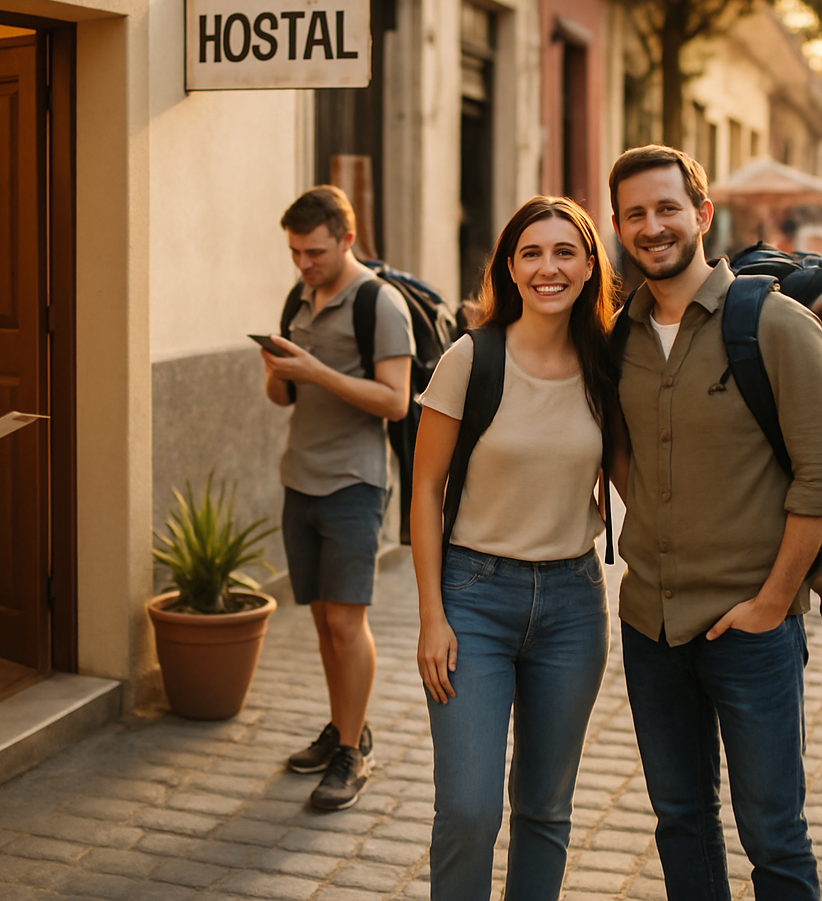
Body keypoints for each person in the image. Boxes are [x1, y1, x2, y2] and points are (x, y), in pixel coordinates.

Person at [609, 144, 822, 900]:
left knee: (774, 834)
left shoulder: (776, 326)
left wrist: (770, 604)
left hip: (752, 632)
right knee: (681, 821)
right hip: (649, 625)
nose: (653, 225)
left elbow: (819, 478)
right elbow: (620, 454)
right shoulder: (617, 341)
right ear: (619, 227)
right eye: (635, 213)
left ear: (702, 215)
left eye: (668, 208)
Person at [412, 196, 618, 900]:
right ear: (509, 266)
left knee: (546, 809)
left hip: (573, 605)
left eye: (565, 252)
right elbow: (427, 490)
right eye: (531, 252)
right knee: (468, 810)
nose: (548, 267)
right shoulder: (472, 357)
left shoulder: (608, 365)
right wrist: (431, 616)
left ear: (590, 267)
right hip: (474, 600)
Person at [260, 185, 413, 810]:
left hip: (355, 481)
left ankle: (353, 752)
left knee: (348, 622)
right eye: (295, 252)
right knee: (323, 618)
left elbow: (395, 400)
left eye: (315, 251)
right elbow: (281, 398)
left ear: (347, 238)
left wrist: (318, 371)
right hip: (301, 476)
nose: (304, 264)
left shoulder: (381, 304)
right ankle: (340, 727)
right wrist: (277, 375)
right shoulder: (299, 296)